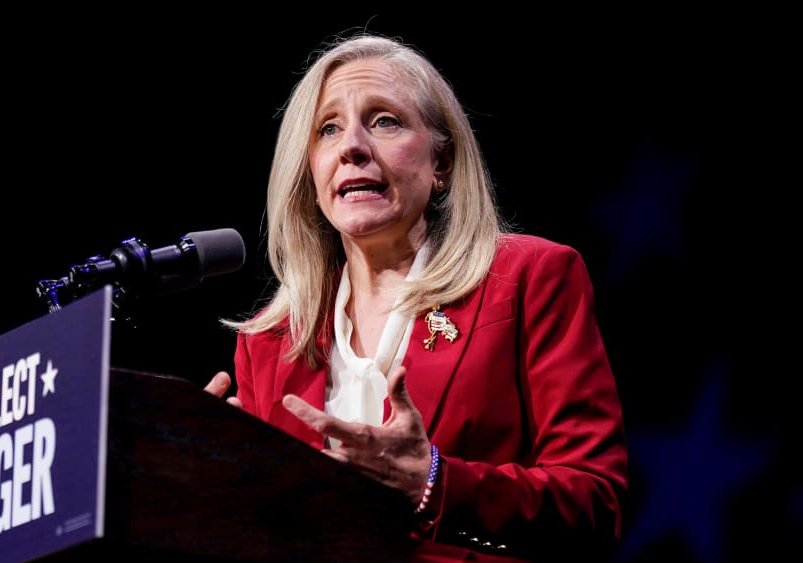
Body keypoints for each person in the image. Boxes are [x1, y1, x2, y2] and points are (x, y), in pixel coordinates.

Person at [205, 32, 627, 562]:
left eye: (385, 121)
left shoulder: (530, 279)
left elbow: (596, 503)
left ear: (442, 163)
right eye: (327, 129)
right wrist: (204, 485)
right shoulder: (267, 343)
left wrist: (433, 483)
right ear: (309, 171)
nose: (351, 146)